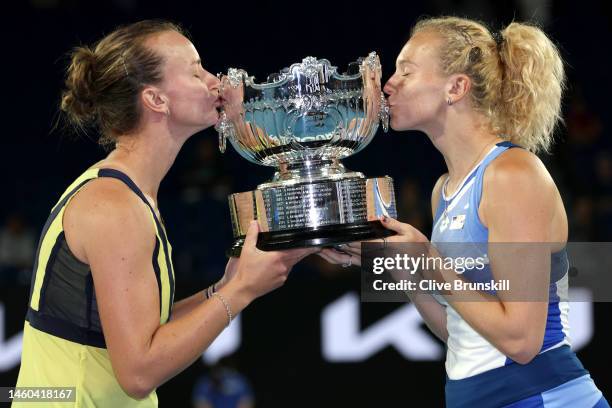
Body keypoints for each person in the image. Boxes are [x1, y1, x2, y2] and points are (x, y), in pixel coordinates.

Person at [13, 20, 316, 407]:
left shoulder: (127, 193)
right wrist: (241, 292)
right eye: (195, 71)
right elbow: (138, 373)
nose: (214, 80)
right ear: (156, 99)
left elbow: (142, 331)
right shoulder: (114, 205)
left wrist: (225, 287)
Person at [319, 16, 609, 407]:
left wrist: (429, 259)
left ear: (456, 87)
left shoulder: (512, 174)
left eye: (406, 71)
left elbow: (521, 342)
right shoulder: (445, 189)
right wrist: (404, 268)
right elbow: (461, 335)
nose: (389, 83)